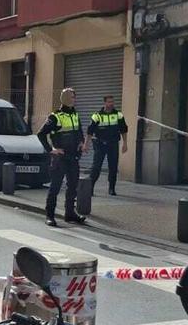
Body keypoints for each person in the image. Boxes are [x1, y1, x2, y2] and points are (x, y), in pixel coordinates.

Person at [36, 88, 87, 227]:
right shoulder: (55, 116)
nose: (74, 99)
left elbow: (79, 132)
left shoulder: (75, 114)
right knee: (55, 187)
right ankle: (50, 216)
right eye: (71, 96)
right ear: (64, 98)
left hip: (73, 157)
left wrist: (82, 143)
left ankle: (70, 214)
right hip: (60, 158)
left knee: (72, 187)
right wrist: (51, 150)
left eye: (74, 96)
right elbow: (40, 134)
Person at [86, 96, 128, 196]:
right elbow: (90, 131)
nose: (111, 104)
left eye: (112, 102)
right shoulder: (97, 116)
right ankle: (90, 187)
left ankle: (112, 188)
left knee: (113, 167)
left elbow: (124, 130)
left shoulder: (118, 115)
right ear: (104, 103)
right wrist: (86, 144)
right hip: (99, 143)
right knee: (96, 166)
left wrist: (125, 143)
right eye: (109, 102)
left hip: (113, 144)